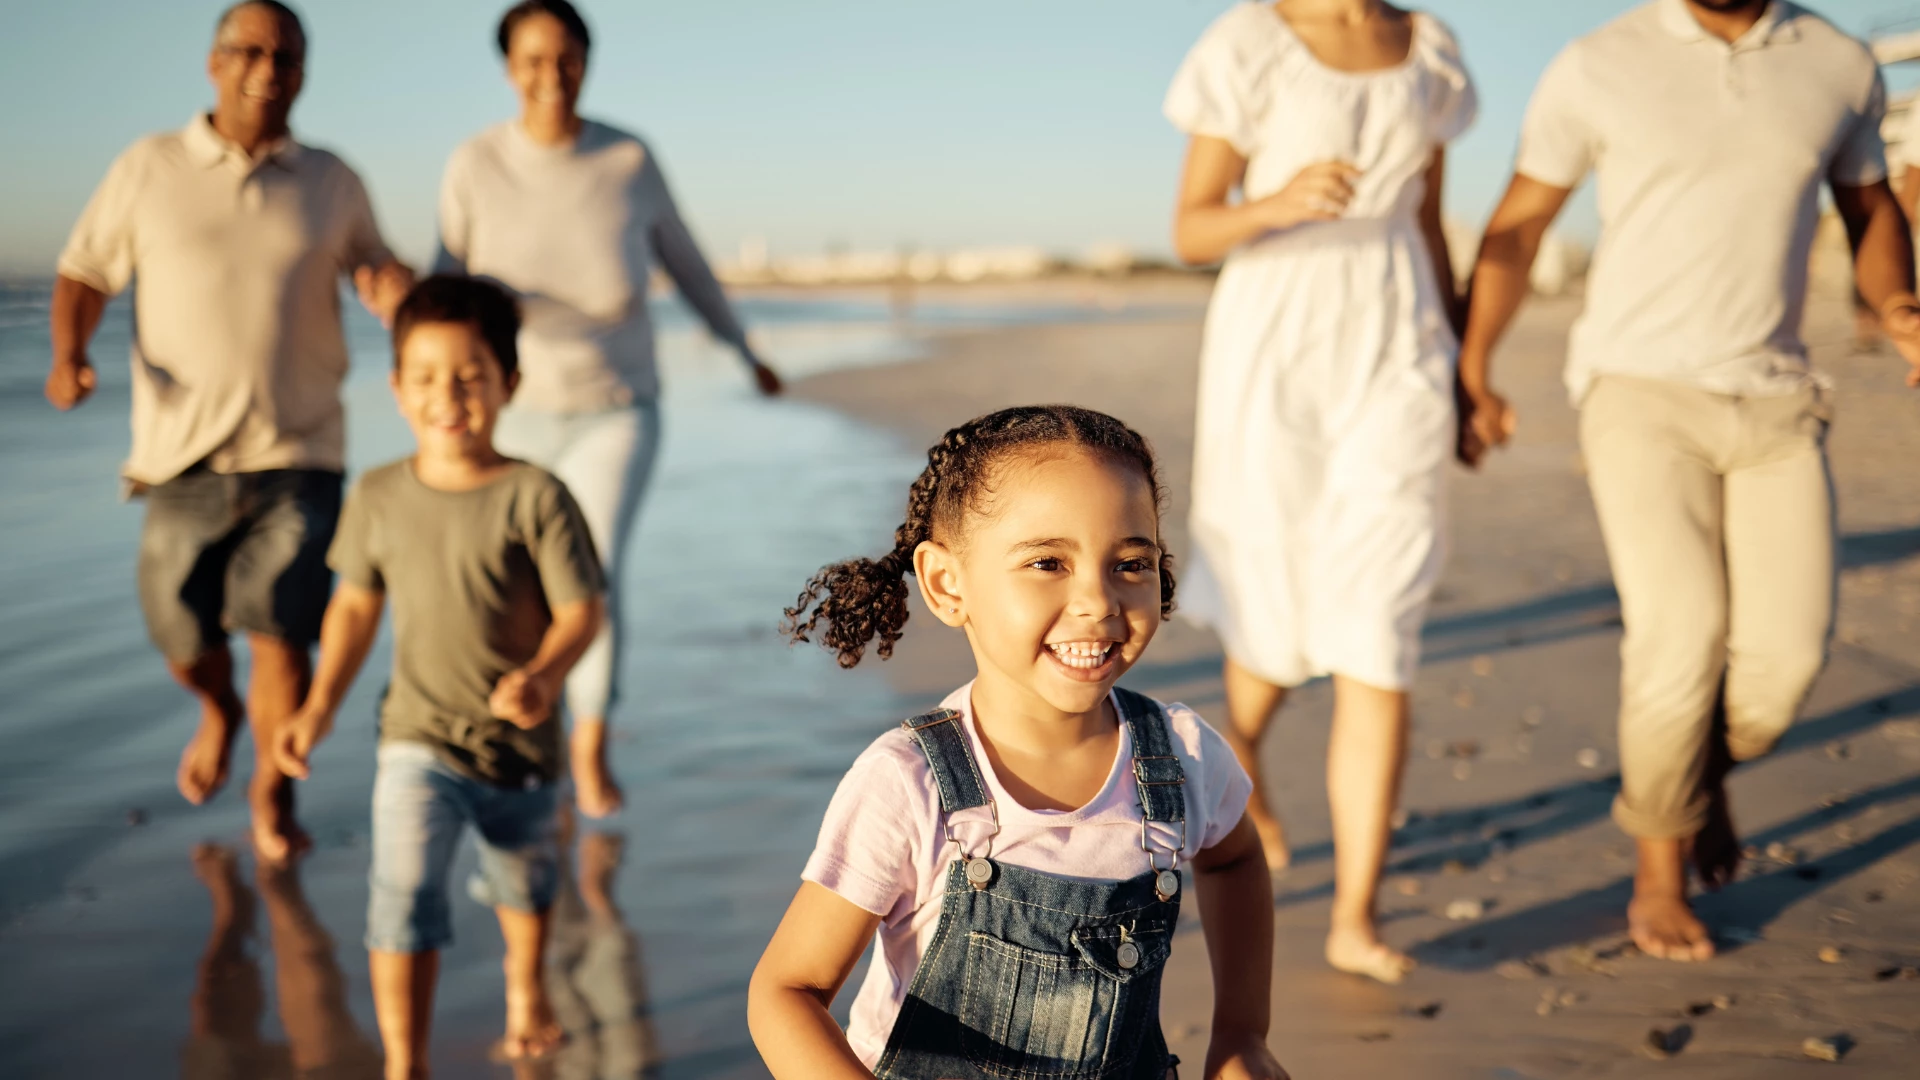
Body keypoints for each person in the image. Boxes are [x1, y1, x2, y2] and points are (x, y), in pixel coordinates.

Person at [1458, 0, 1920, 961]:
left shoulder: (1836, 61)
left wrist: (1898, 301)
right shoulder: (1598, 63)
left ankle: (1690, 784)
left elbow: (1869, 205)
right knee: (1682, 634)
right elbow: (1517, 228)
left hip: (1778, 396)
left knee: (1786, 663)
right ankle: (1658, 871)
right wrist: (1475, 371)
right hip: (1637, 390)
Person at [747, 406, 1287, 1080]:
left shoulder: (1180, 757)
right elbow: (785, 992)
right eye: (1047, 562)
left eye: (1129, 563)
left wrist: (1243, 1035)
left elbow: (1234, 859)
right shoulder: (908, 783)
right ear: (948, 585)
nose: (1097, 600)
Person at [44, 0, 414, 863]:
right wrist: (69, 354)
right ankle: (219, 708)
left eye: (286, 54)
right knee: (181, 629)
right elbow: (85, 269)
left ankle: (271, 795)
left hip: (303, 450)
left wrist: (392, 289)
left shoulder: (332, 179)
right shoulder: (150, 166)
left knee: (284, 634)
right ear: (213, 64)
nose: (268, 67)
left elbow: (376, 262)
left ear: (303, 72)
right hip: (181, 456)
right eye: (249, 50)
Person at [1162, 0, 1477, 984]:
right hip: (1277, 338)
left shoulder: (1429, 45)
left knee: (1378, 623)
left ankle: (1355, 914)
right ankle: (1241, 754)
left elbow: (1428, 219)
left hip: (1399, 337)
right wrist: (1276, 201)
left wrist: (1470, 369)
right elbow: (1189, 228)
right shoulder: (1248, 39)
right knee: (1271, 600)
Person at [434, 0, 783, 820]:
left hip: (615, 409)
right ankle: (528, 731)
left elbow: (688, 263)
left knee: (587, 574)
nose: (550, 75)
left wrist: (742, 349)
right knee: (516, 582)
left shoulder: (627, 158)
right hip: (508, 416)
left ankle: (587, 745)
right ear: (508, 68)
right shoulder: (475, 163)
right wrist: (426, 385)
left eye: (566, 57)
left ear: (586, 62)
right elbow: (445, 285)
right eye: (531, 60)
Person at [272, 276, 607, 1076]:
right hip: (415, 736)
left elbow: (582, 612)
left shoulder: (537, 495)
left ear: (509, 384)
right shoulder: (379, 496)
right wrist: (317, 707)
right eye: (424, 377)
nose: (446, 396)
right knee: (402, 895)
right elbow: (353, 611)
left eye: (469, 376)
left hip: (521, 749)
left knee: (525, 890)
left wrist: (543, 673)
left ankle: (524, 990)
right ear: (395, 388)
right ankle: (405, 1062)